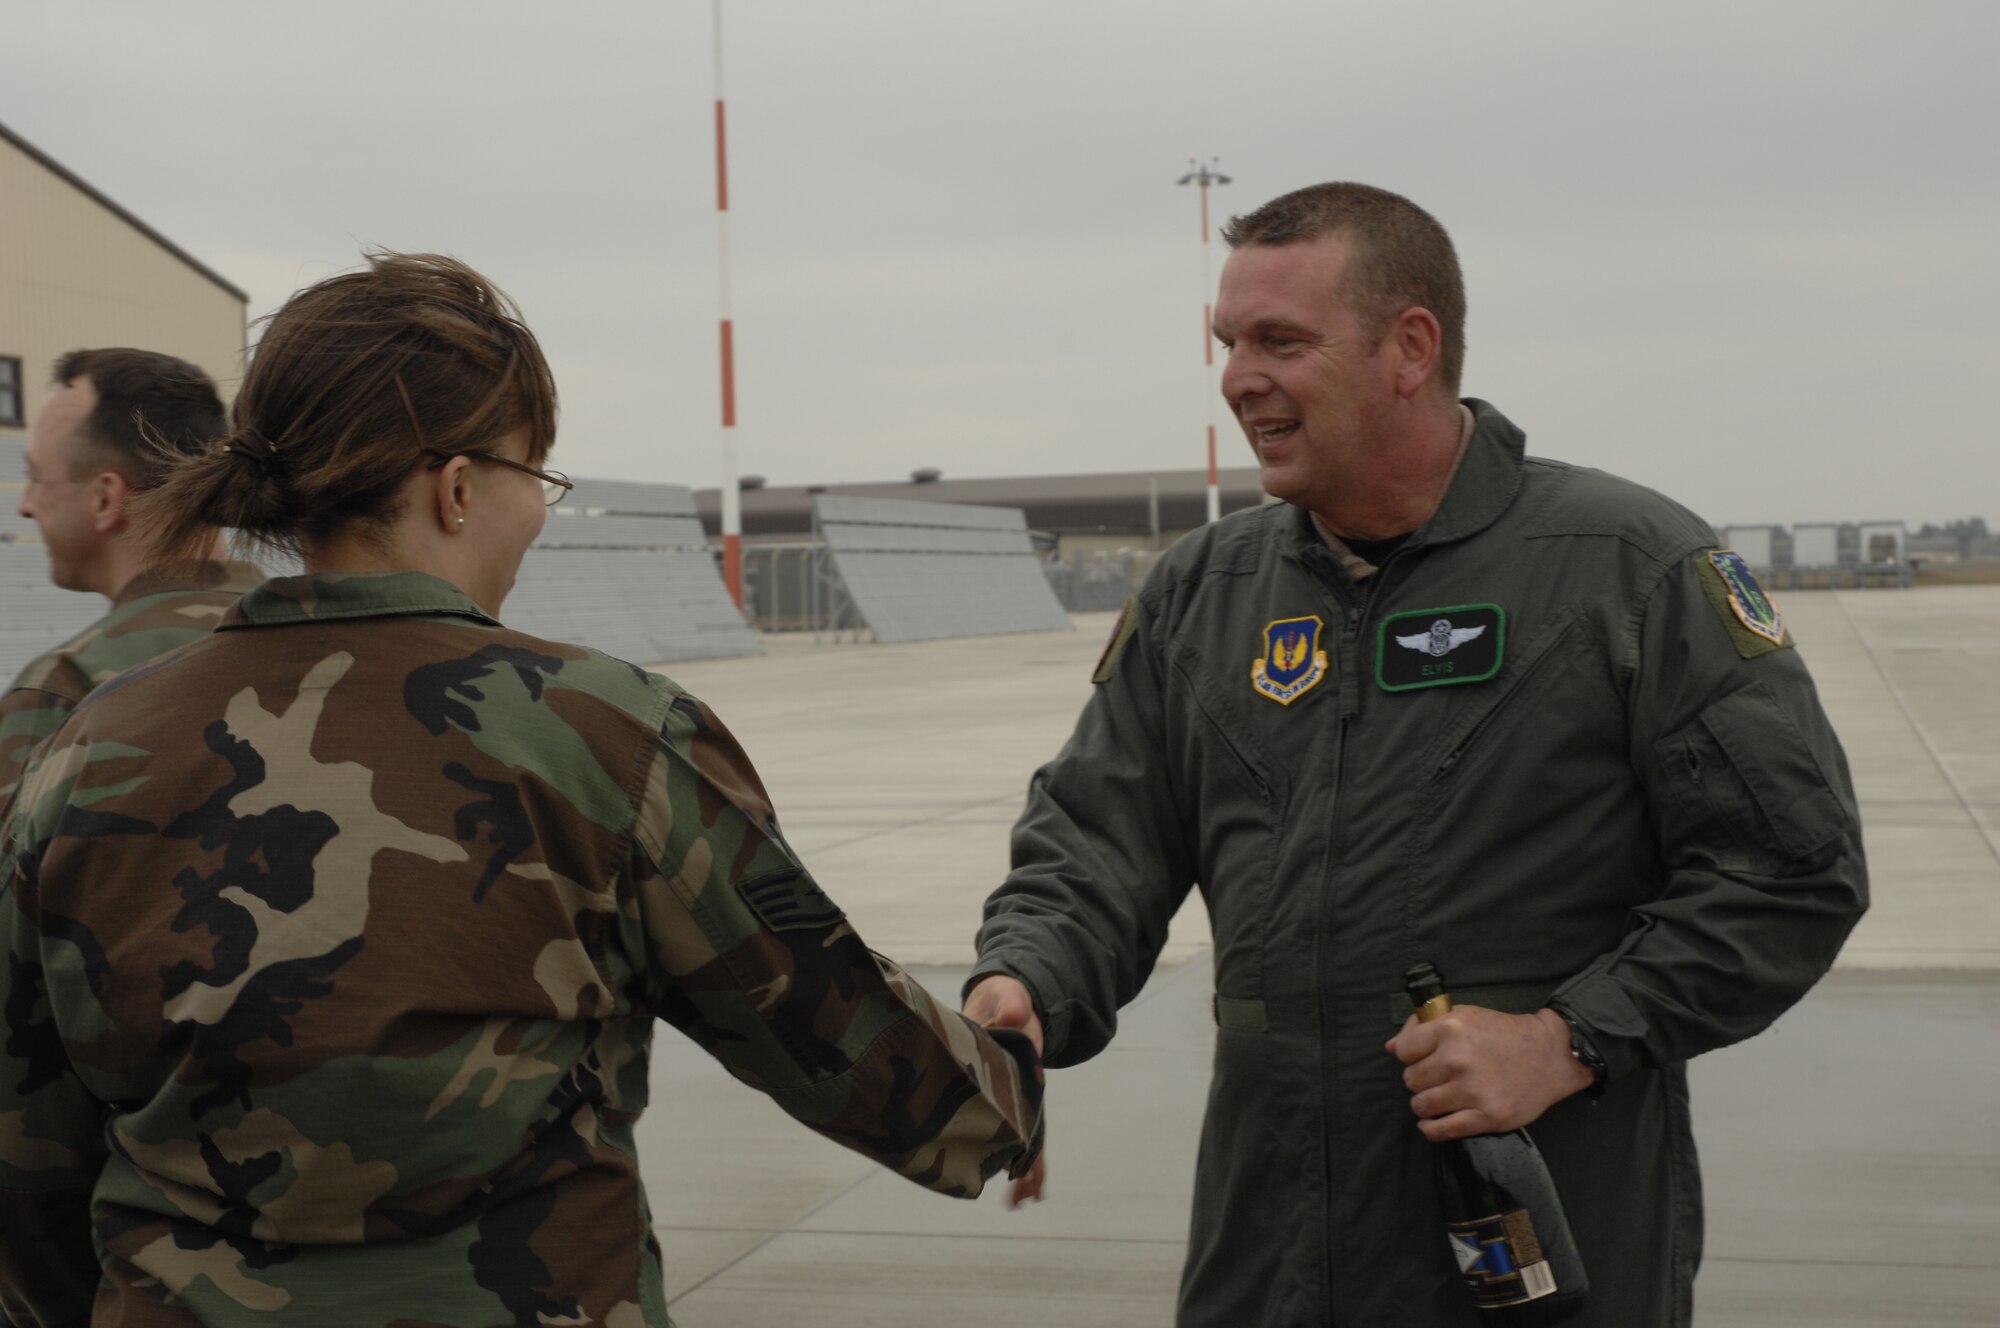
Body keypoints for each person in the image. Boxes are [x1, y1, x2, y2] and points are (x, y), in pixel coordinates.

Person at [0, 253, 1042, 1327]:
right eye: (534, 480)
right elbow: (851, 1047)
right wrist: (1006, 1081)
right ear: (456, 487)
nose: (538, 518)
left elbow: (24, 1146)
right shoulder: (601, 731)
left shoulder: (84, 746)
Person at [964, 183, 1866, 1326]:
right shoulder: (1203, 593)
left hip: (1534, 1243)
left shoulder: (1624, 571)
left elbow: (1790, 867)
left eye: (1280, 341)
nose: (1240, 376)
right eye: (1229, 343)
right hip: (1269, 1256)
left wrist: (1569, 1036)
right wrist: (1028, 979)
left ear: (1409, 347)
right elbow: (1099, 838)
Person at [1, 349, 263, 791]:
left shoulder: (63, 693)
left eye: (37, 478)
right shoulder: (325, 639)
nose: (25, 506)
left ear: (105, 499)